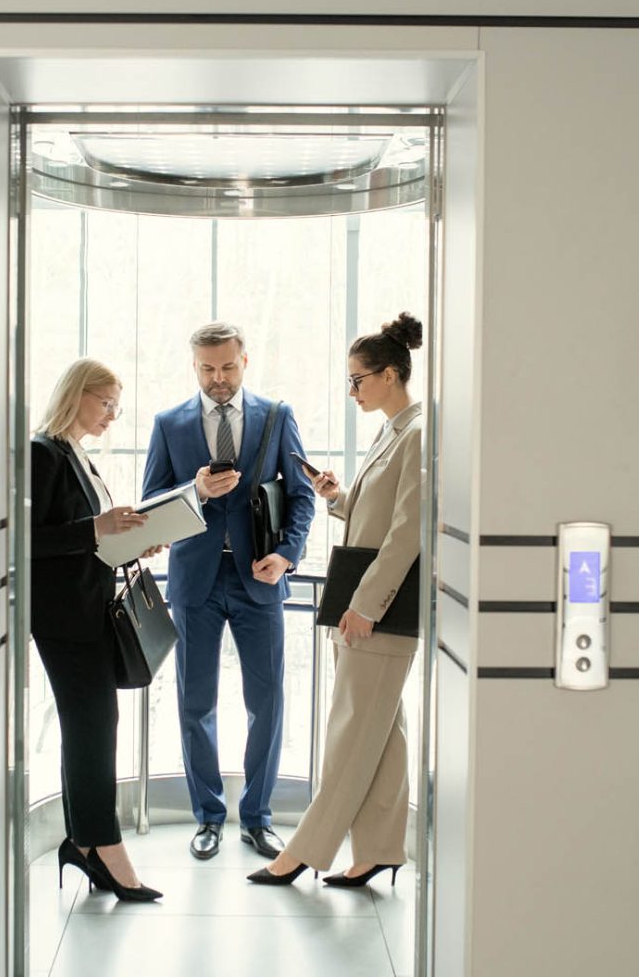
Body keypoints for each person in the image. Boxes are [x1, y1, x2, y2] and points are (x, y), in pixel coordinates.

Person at [247, 312, 423, 887]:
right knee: (383, 730)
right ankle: (381, 848)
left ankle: (301, 852)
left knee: (351, 730)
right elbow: (382, 515)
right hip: (369, 593)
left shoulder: (419, 433)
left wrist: (367, 605)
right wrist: (338, 496)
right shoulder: (395, 430)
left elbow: (407, 532)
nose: (351, 391)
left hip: (381, 604)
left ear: (391, 375)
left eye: (358, 380)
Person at [142, 322, 315, 861]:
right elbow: (151, 503)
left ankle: (258, 817)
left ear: (246, 360)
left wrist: (287, 555)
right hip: (194, 581)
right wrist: (193, 488)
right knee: (196, 704)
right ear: (194, 366)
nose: (218, 379)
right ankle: (209, 816)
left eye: (228, 367)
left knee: (266, 703)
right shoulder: (169, 423)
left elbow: (302, 496)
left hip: (259, 579)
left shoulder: (277, 417)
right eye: (207, 369)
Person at [31, 357, 164, 902]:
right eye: (105, 402)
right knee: (92, 726)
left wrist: (128, 540)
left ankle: (85, 842)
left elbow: (84, 542)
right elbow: (28, 539)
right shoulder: (44, 453)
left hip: (86, 610)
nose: (112, 414)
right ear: (76, 393)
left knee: (90, 726)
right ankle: (102, 847)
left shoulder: (76, 455)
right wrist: (98, 527)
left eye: (117, 406)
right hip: (63, 618)